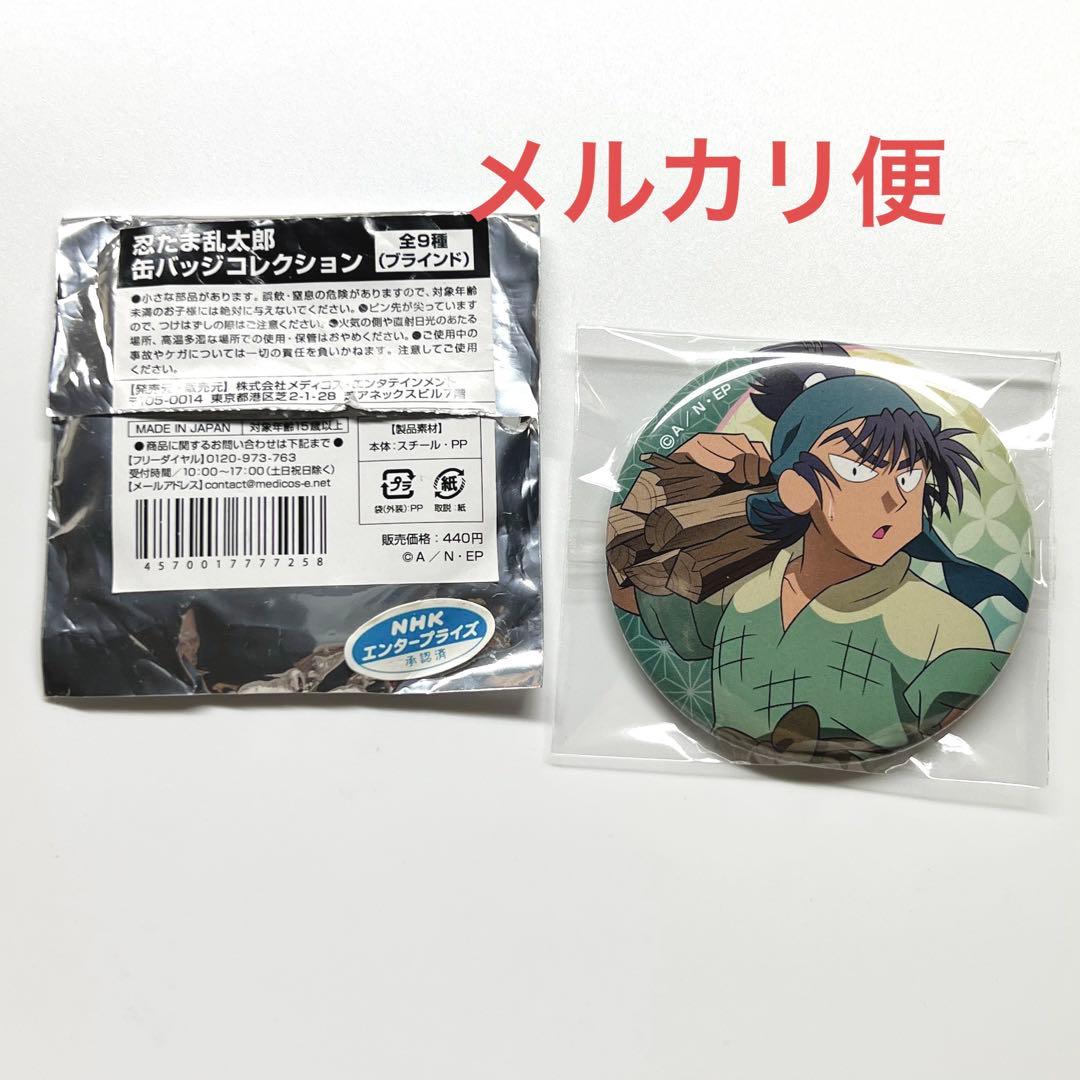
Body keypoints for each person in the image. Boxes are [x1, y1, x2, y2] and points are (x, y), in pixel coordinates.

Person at [614, 361, 1028, 760]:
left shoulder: (948, 629)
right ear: (797, 487)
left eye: (908, 477)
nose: (894, 499)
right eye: (858, 470)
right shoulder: (745, 592)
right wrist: (650, 488)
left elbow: (957, 722)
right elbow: (626, 592)